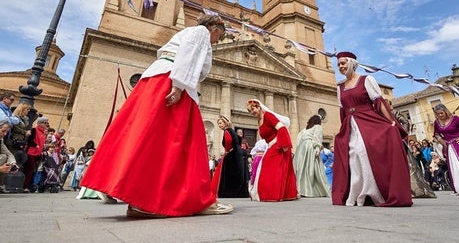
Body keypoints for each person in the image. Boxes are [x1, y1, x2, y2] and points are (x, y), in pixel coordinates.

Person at [80, 14, 233, 218]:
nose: (218, 40)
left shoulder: (188, 32)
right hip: (172, 81)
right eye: (220, 36)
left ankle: (144, 200)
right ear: (214, 28)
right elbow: (187, 57)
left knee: (153, 139)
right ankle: (190, 199)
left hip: (159, 79)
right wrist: (178, 86)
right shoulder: (200, 32)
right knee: (186, 142)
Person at [332, 51, 412, 207]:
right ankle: (358, 193)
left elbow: (379, 103)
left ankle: (373, 192)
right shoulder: (339, 87)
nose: (340, 67)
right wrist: (343, 130)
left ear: (352, 64)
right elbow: (342, 111)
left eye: (343, 63)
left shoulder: (366, 80)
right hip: (351, 125)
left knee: (362, 152)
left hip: (368, 121)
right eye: (339, 64)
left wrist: (390, 121)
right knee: (353, 155)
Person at [246, 99, 298, 202]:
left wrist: (284, 144)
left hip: (279, 144)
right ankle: (271, 192)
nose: (253, 112)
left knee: (268, 165)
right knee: (267, 166)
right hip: (270, 145)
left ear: (259, 107)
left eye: (253, 109)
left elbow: (281, 128)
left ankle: (270, 193)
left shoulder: (268, 116)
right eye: (250, 111)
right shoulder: (259, 120)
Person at [211, 115, 249, 198]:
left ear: (225, 123)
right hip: (237, 153)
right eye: (218, 124)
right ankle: (240, 192)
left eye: (220, 123)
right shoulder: (232, 131)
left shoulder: (227, 131)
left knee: (229, 173)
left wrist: (227, 151)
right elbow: (238, 140)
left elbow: (228, 141)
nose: (220, 125)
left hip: (232, 155)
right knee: (238, 173)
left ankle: (228, 192)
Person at [293, 115, 331, 197]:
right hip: (309, 147)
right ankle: (308, 189)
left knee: (301, 169)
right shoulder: (317, 127)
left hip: (301, 149)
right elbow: (317, 138)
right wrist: (317, 149)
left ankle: (299, 189)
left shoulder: (304, 130)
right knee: (311, 168)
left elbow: (298, 140)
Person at [22, 116, 49, 193]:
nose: (46, 124)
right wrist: (36, 146)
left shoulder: (43, 132)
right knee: (29, 169)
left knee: (34, 170)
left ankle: (30, 185)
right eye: (45, 123)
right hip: (31, 153)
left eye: (47, 123)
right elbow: (30, 140)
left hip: (38, 154)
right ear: (40, 123)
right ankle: (25, 186)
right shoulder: (34, 130)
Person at [0, 122, 17, 192]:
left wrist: (13, 164)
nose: (5, 134)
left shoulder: (0, 140)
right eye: (3, 131)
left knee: (4, 156)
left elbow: (9, 154)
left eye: (6, 132)